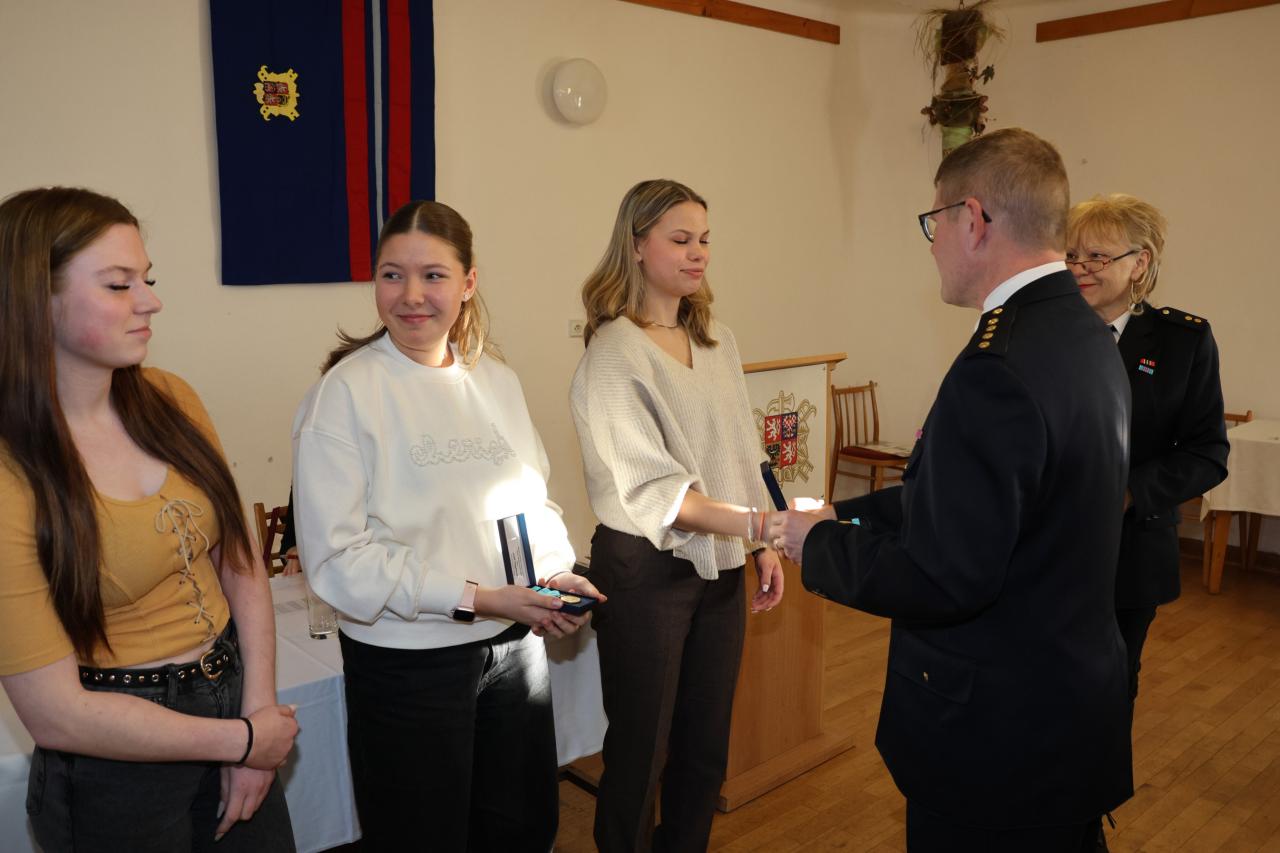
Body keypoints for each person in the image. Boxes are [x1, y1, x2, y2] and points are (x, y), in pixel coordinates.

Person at [767, 129, 1134, 852]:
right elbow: (975, 502)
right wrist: (844, 513)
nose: (932, 244)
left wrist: (819, 545)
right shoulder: (1084, 333)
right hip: (1065, 708)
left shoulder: (999, 364)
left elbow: (945, 577)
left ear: (973, 219)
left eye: (932, 222)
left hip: (996, 736)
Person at [291, 199, 602, 852]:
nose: (411, 295)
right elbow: (339, 561)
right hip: (407, 664)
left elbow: (529, 504)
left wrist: (555, 572)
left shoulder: (497, 381)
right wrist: (477, 597)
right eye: (392, 275)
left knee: (520, 828)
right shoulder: (344, 394)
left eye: (433, 275)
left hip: (514, 648)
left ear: (468, 283)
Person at [0, 187, 298, 852]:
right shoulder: (13, 470)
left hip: (232, 696)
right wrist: (243, 741)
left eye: (147, 279)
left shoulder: (169, 398)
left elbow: (239, 561)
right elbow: (57, 715)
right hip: (116, 756)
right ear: (34, 301)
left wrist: (255, 712)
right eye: (118, 284)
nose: (150, 301)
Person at [570, 178, 785, 852]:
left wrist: (761, 544)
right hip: (644, 570)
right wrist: (761, 527)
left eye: (705, 240)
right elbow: (659, 495)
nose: (699, 254)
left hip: (719, 558)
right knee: (642, 750)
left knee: (704, 745)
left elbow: (745, 450)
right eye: (681, 239)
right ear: (636, 246)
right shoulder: (614, 352)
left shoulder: (718, 339)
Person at [1066, 194, 1228, 702]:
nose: (1079, 268)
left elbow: (1207, 452)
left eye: (1097, 256)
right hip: (1037, 546)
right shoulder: (1037, 330)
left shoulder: (1182, 341)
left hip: (1129, 552)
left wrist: (1130, 493)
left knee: (1109, 684)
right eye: (1071, 255)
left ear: (1140, 263)